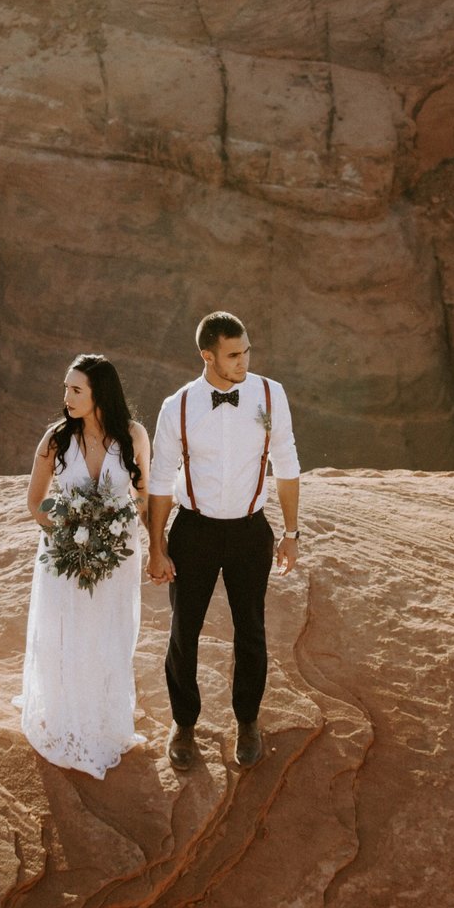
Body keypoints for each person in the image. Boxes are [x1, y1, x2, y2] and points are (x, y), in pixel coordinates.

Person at [146, 311, 301, 771]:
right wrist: (157, 547)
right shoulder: (178, 406)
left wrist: (292, 534)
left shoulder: (270, 394)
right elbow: (159, 480)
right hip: (194, 531)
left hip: (251, 532)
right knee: (183, 632)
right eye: (234, 355)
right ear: (207, 356)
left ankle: (248, 720)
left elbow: (286, 463)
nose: (244, 361)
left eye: (247, 351)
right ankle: (184, 723)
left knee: (250, 631)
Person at [16, 353, 154, 776]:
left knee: (108, 632)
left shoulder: (133, 435)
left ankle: (104, 717)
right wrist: (67, 533)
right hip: (63, 556)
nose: (67, 397)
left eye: (76, 390)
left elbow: (143, 496)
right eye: (65, 388)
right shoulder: (55, 439)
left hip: (116, 558)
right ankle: (63, 716)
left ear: (99, 395)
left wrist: (136, 540)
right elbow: (35, 501)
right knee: (65, 632)